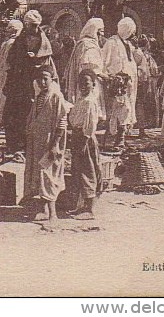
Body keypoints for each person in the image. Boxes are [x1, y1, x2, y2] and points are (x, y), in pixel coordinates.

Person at [22, 65, 71, 222]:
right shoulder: (39, 96)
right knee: (40, 173)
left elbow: (62, 121)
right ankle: (43, 210)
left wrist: (55, 143)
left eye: (46, 79)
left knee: (50, 174)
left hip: (51, 141)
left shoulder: (56, 96)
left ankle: (52, 212)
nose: (43, 82)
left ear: (52, 79)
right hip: (38, 141)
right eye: (40, 79)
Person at [3, 10, 56, 154]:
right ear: (26, 25)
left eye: (36, 25)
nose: (34, 29)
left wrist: (35, 59)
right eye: (31, 25)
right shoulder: (20, 40)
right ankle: (15, 145)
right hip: (18, 83)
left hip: (35, 83)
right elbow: (12, 61)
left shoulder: (42, 40)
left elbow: (46, 64)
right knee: (13, 114)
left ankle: (30, 145)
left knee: (32, 114)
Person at [68, 70, 103, 220]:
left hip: (85, 139)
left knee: (87, 171)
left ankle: (90, 208)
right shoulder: (80, 100)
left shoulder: (90, 101)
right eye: (81, 83)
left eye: (87, 82)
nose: (83, 85)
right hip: (77, 136)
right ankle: (82, 206)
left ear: (93, 84)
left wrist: (84, 139)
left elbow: (90, 123)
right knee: (78, 170)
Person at [101, 17, 138, 147]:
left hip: (127, 85)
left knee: (126, 109)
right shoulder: (111, 43)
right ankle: (112, 139)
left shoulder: (127, 44)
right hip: (116, 83)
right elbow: (104, 61)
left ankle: (120, 137)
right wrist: (110, 77)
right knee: (116, 109)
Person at [63, 18, 106, 114]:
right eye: (100, 33)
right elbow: (90, 67)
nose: (101, 37)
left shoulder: (82, 43)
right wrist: (104, 76)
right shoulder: (88, 45)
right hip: (89, 81)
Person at [0, 19, 23, 120]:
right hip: (3, 71)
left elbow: (7, 60)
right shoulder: (10, 42)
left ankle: (1, 115)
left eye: (9, 28)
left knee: (4, 92)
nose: (7, 30)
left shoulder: (12, 43)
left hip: (6, 72)